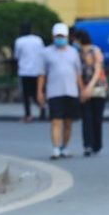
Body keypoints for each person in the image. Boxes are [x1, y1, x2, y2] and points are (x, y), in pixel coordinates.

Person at [37, 23, 83, 160]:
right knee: (55, 121)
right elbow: (42, 74)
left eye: (62, 36)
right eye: (57, 36)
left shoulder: (73, 52)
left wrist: (82, 90)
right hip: (54, 92)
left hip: (71, 91)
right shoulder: (46, 52)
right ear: (53, 36)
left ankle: (65, 147)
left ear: (67, 37)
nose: (60, 38)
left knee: (68, 122)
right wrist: (39, 91)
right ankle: (56, 148)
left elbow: (78, 73)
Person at [73, 29, 107, 156]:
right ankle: (88, 145)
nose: (74, 42)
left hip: (98, 89)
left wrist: (89, 88)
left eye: (75, 39)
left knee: (97, 118)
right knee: (86, 118)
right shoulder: (76, 53)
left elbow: (98, 71)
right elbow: (77, 73)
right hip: (83, 90)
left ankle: (97, 145)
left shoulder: (95, 50)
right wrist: (82, 89)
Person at [14, 22, 46, 122]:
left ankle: (28, 115)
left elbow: (17, 56)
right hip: (37, 71)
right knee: (37, 92)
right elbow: (43, 52)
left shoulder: (19, 41)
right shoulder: (38, 40)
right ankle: (42, 109)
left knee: (26, 95)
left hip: (24, 72)